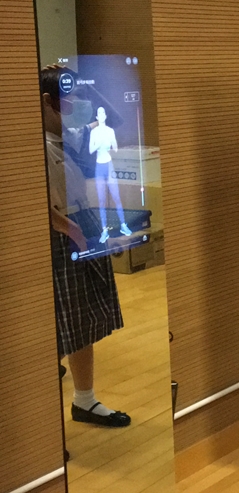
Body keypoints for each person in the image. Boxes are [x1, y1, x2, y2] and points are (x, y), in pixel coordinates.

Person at [40, 65, 131, 428]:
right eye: (68, 97)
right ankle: (79, 402)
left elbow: (117, 119)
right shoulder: (36, 142)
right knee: (69, 318)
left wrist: (84, 88)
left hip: (79, 222)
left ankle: (76, 390)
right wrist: (73, 231)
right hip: (64, 231)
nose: (76, 103)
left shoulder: (67, 135)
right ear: (46, 101)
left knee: (78, 316)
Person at [90, 106, 131, 243]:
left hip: (109, 165)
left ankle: (123, 225)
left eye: (103, 112)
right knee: (101, 200)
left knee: (116, 197)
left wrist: (112, 144)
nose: (101, 115)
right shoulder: (94, 132)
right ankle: (104, 230)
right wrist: (99, 143)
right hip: (99, 166)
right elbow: (90, 149)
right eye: (99, 113)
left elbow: (116, 149)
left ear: (105, 116)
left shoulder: (110, 131)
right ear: (97, 117)